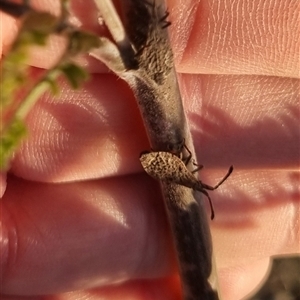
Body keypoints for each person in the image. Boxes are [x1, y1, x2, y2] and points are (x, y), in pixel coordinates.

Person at [1, 1, 299, 299]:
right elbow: (175, 163)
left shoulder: (184, 173)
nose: (200, 182)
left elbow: (174, 163)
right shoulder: (183, 174)